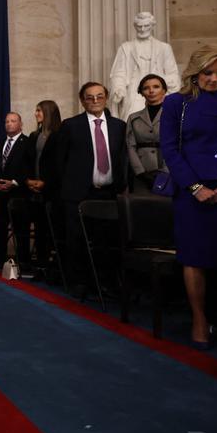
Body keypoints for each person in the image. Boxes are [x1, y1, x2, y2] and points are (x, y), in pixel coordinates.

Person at [160, 46, 217, 350]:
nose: (214, 78)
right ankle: (199, 320)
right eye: (208, 72)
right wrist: (195, 187)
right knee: (194, 257)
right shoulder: (176, 103)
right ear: (195, 74)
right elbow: (170, 149)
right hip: (190, 192)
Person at [54, 82, 127, 293]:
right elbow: (59, 161)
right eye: (89, 97)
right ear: (82, 100)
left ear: (106, 98)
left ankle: (105, 282)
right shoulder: (70, 126)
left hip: (109, 193)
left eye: (99, 96)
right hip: (78, 193)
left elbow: (123, 159)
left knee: (107, 240)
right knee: (77, 240)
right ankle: (79, 282)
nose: (95, 100)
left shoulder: (119, 126)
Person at [109, 12, 181, 119]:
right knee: (131, 118)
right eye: (139, 26)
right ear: (135, 26)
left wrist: (163, 84)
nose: (142, 29)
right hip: (134, 91)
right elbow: (119, 72)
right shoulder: (126, 48)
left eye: (146, 26)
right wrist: (118, 88)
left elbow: (172, 73)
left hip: (157, 90)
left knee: (160, 119)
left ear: (152, 26)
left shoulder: (164, 48)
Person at [0, 112, 32, 270]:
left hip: (18, 195)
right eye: (7, 121)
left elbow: (29, 167)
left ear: (20, 124)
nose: (9, 124)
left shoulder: (28, 143)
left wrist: (14, 182)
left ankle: (23, 262)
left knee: (21, 230)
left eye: (13, 121)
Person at [25, 100, 62, 267]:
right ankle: (41, 266)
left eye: (39, 110)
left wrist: (45, 182)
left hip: (52, 192)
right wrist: (28, 180)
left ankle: (53, 267)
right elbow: (28, 161)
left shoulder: (59, 135)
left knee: (51, 232)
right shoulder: (34, 135)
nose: (36, 114)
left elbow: (59, 165)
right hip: (34, 192)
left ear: (48, 112)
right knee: (39, 230)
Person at [126, 73, 168, 193]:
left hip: (168, 170)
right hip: (141, 172)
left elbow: (179, 144)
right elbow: (130, 146)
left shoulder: (174, 115)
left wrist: (166, 171)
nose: (151, 91)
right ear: (141, 92)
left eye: (156, 87)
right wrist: (140, 172)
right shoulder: (133, 118)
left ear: (164, 90)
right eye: (146, 88)